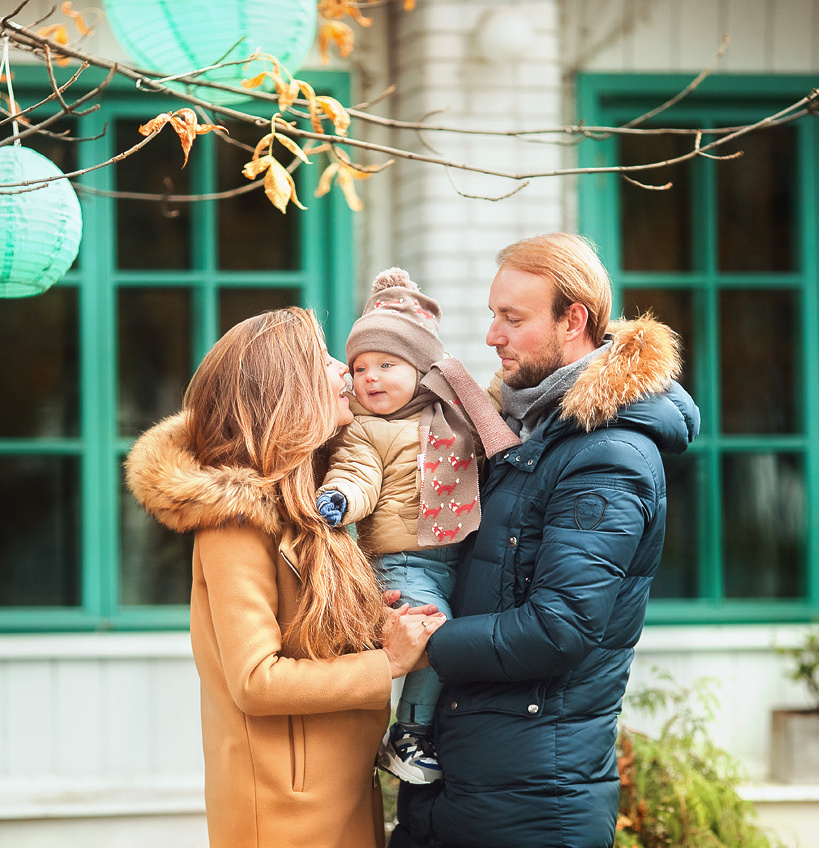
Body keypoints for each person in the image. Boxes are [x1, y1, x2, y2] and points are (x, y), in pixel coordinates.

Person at [389, 233, 701, 848]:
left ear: (573, 320)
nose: (491, 336)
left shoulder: (610, 456)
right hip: (460, 788)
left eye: (512, 318)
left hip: (534, 805)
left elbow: (560, 628)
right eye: (491, 315)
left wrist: (427, 646)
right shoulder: (516, 431)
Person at [124, 307, 445, 848]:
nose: (346, 369)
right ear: (287, 388)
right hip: (283, 812)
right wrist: (387, 661)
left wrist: (375, 622)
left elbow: (305, 635)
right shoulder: (234, 522)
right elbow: (256, 680)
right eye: (323, 360)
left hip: (342, 788)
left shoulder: (315, 503)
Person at [315, 268, 519, 785]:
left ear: (423, 368)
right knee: (432, 633)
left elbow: (501, 419)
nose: (371, 378)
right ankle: (408, 733)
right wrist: (340, 498)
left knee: (461, 641)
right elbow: (356, 471)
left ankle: (427, 727)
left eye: (387, 363)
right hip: (402, 562)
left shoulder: (457, 411)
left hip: (460, 557)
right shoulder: (366, 427)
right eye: (361, 368)